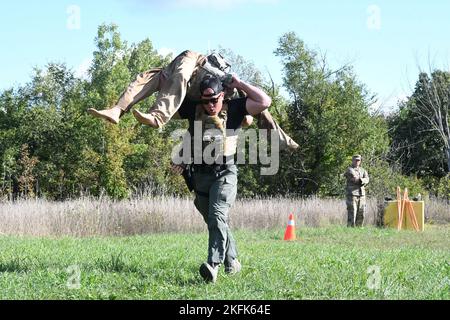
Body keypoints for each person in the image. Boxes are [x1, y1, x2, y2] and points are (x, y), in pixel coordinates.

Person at [87, 50, 299, 151]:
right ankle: (145, 114)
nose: (211, 106)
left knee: (151, 77)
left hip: (192, 84)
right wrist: (239, 83)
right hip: (194, 63)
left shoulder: (210, 105)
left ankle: (118, 110)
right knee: (167, 77)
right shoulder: (224, 88)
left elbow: (262, 107)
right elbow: (262, 103)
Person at [170, 74, 271, 283]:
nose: (210, 105)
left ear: (222, 95)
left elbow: (264, 102)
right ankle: (232, 261)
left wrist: (241, 84)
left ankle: (213, 265)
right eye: (205, 101)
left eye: (214, 100)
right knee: (216, 222)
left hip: (225, 173)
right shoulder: (194, 109)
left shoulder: (234, 108)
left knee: (217, 215)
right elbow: (167, 110)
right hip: (199, 176)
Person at [344, 155, 370, 227]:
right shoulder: (349, 169)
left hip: (362, 194)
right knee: (352, 211)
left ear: (360, 161)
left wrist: (361, 179)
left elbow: (367, 179)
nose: (357, 162)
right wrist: (362, 179)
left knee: (361, 211)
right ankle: (350, 227)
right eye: (355, 160)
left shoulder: (363, 170)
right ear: (352, 160)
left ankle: (359, 227)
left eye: (358, 160)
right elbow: (354, 178)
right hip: (352, 194)